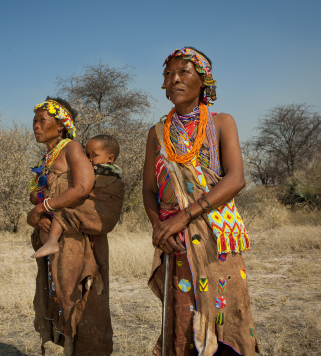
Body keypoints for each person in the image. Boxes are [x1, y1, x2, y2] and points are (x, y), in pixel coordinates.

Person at [142, 48, 259, 355]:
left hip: (214, 237)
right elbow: (149, 191)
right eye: (168, 74)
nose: (174, 79)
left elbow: (236, 179)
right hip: (174, 240)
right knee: (182, 318)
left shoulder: (222, 123)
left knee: (225, 314)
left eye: (184, 72)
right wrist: (159, 228)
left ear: (204, 80)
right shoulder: (156, 134)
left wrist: (185, 216)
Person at [27, 98, 114, 355]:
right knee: (62, 300)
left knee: (78, 300)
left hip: (75, 238)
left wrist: (44, 207)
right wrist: (39, 209)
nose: (36, 126)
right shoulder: (47, 157)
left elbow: (82, 188)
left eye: (43, 120)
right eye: (34, 121)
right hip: (56, 239)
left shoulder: (72, 148)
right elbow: (36, 195)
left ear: (62, 125)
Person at [31, 134, 124, 258]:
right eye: (87, 155)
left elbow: (83, 186)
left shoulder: (102, 173)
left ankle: (52, 242)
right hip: (99, 221)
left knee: (63, 214)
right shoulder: (112, 172)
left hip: (99, 213)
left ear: (110, 158)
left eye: (94, 155)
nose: (90, 159)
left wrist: (55, 180)